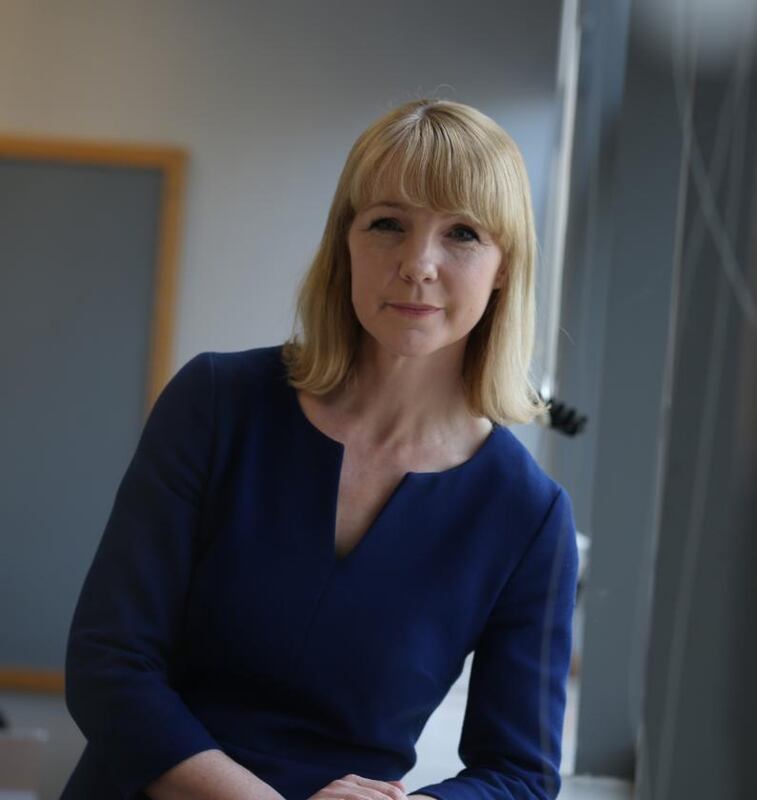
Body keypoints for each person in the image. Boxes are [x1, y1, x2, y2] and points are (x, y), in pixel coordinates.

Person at [60, 98, 579, 800]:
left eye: (461, 233)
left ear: (503, 268)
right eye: (388, 224)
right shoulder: (217, 403)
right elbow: (107, 664)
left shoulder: (527, 514)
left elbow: (520, 776)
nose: (417, 264)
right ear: (346, 242)